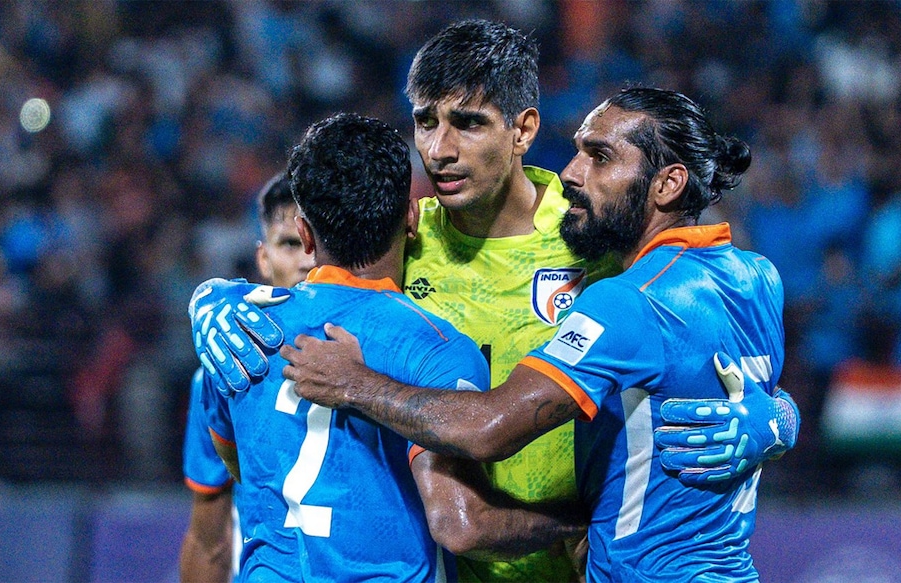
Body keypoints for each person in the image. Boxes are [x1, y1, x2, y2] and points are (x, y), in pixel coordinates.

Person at [190, 20, 799, 583]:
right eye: (426, 122)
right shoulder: (401, 235)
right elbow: (307, 284)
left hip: (577, 565)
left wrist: (777, 417)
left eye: (469, 122)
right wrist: (215, 299)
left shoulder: (591, 229)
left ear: (524, 130)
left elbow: (707, 308)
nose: (439, 149)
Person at [192, 113, 586, 580]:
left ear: (304, 233)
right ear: (412, 216)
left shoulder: (236, 335)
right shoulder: (438, 349)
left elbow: (241, 468)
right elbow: (463, 528)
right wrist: (573, 522)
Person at [178, 173, 314, 582]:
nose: (307, 260)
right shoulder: (221, 372)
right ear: (263, 258)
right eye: (289, 244)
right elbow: (209, 542)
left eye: (315, 241)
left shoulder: (389, 351)